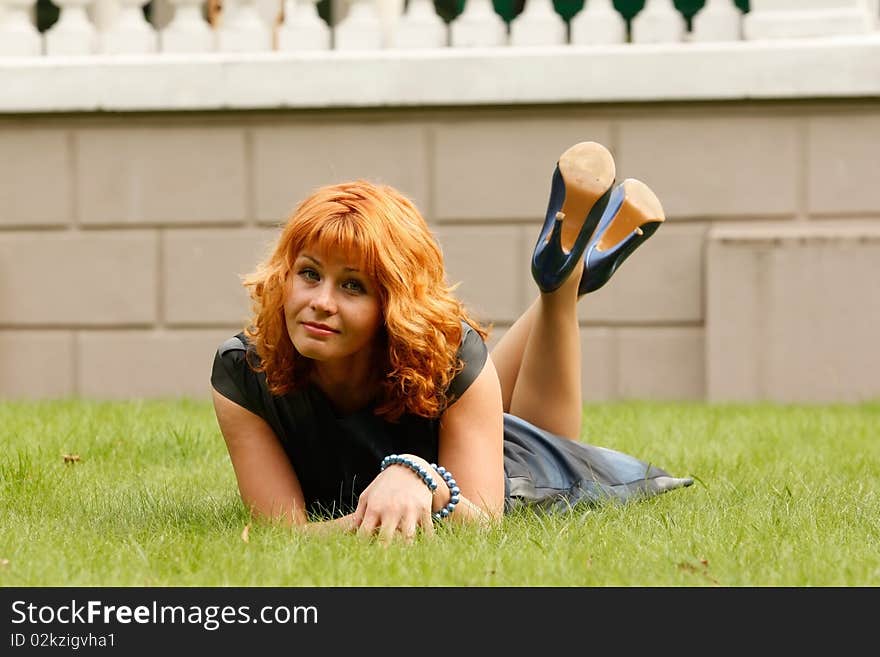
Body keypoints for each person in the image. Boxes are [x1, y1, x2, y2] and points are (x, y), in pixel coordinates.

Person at [210, 141, 692, 544]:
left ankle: (560, 287)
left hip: (504, 466)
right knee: (480, 394)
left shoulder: (450, 353)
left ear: (392, 304)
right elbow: (281, 535)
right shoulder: (241, 372)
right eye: (309, 274)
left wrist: (424, 479)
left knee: (530, 442)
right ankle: (564, 281)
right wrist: (389, 502)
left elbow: (483, 521)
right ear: (284, 274)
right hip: (455, 424)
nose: (320, 302)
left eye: (353, 286)